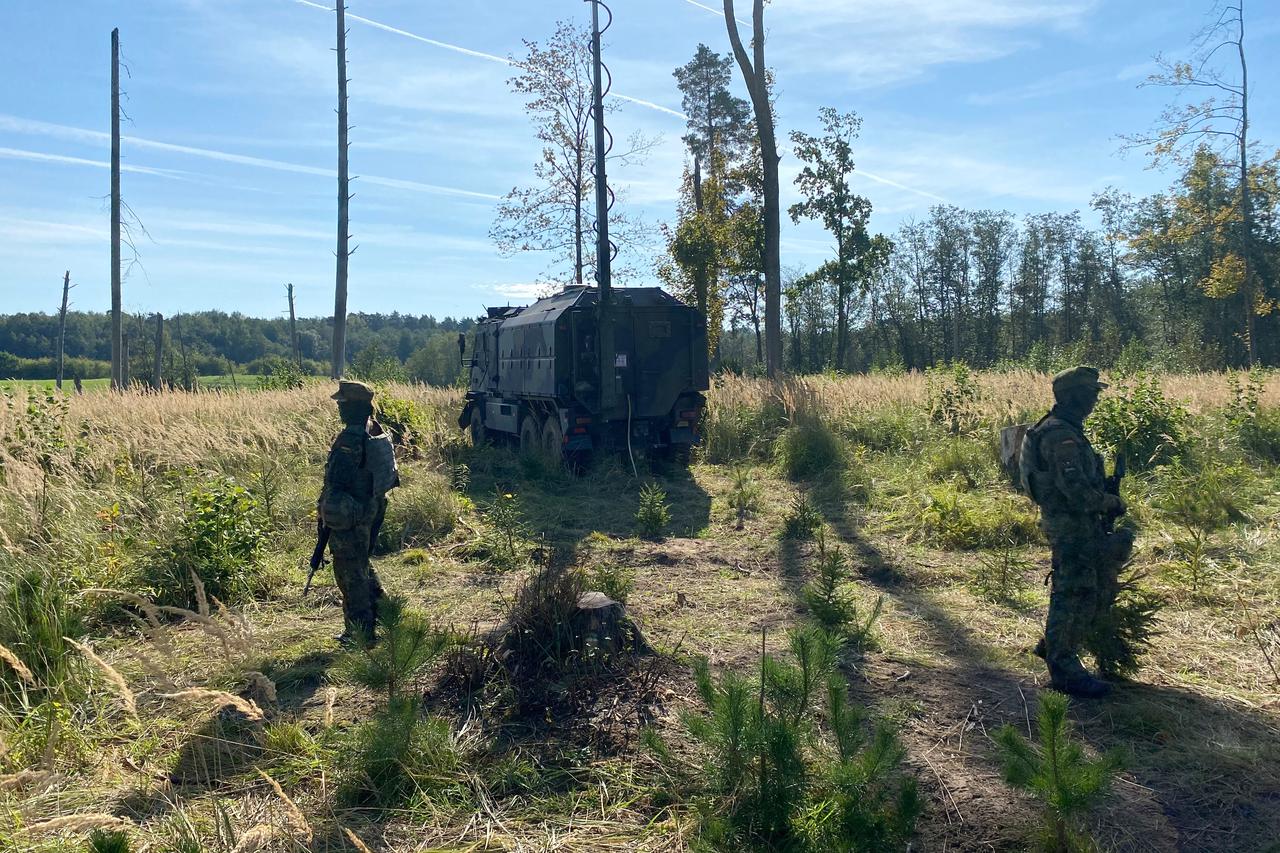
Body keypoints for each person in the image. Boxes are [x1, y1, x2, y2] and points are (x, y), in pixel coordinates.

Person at [1019, 366, 1134, 698]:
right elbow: (1076, 491)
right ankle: (1064, 668)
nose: (1095, 400)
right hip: (1071, 525)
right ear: (1073, 397)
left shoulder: (1063, 429)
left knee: (1080, 589)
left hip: (1076, 524)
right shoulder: (1060, 435)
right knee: (1074, 592)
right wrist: (1109, 502)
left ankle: (1054, 644)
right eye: (1090, 393)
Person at [313, 380, 398, 645]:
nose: (339, 409)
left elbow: (338, 479)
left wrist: (326, 511)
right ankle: (385, 614)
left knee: (350, 572)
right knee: (360, 562)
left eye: (342, 404)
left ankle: (360, 632)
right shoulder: (372, 429)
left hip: (352, 511)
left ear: (353, 407)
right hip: (370, 506)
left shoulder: (350, 437)